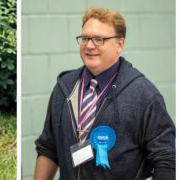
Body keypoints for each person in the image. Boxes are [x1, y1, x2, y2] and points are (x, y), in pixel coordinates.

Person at [34, 7, 175, 180]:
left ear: (120, 44)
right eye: (85, 38)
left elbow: (167, 160)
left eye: (99, 39)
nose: (89, 45)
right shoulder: (64, 88)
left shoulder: (144, 95)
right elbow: (48, 148)